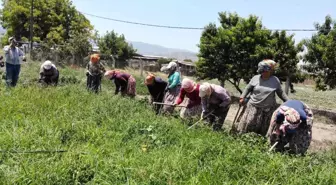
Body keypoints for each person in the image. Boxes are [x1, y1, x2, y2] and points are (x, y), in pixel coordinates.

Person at [234, 59, 289, 136]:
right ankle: (245, 138)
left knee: (264, 127)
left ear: (270, 71)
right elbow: (248, 88)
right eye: (261, 71)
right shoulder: (255, 78)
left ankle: (259, 141)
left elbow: (281, 93)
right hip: (253, 106)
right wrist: (242, 97)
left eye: (265, 71)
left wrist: (289, 102)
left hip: (268, 109)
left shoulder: (275, 80)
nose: (263, 73)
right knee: (249, 124)